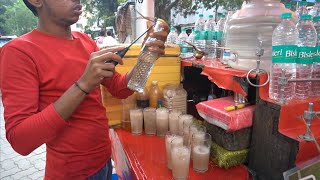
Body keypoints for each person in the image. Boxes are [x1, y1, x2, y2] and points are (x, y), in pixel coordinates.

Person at [0, 0, 169, 180]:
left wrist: (147, 56)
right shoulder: (19, 52)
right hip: (71, 173)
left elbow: (120, 88)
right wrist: (84, 84)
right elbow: (21, 141)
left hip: (104, 161)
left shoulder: (85, 41)